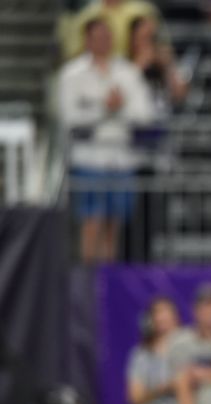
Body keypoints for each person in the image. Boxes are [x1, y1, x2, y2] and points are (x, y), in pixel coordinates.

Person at [59, 18, 155, 263]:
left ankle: (107, 281)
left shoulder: (127, 72)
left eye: (107, 36)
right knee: (91, 224)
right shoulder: (72, 74)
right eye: (98, 37)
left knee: (114, 227)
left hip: (121, 160)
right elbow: (70, 118)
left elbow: (145, 114)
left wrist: (118, 108)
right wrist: (105, 108)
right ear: (87, 40)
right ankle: (88, 282)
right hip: (89, 159)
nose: (103, 41)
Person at [126, 297, 180, 404]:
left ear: (176, 319)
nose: (162, 318)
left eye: (166, 313)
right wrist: (165, 388)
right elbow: (134, 397)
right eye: (157, 313)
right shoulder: (141, 355)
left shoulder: (187, 351)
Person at [128, 16, 188, 116]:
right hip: (135, 122)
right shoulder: (123, 64)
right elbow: (124, 89)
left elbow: (180, 94)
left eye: (152, 38)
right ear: (133, 39)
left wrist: (169, 67)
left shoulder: (164, 62)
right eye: (145, 38)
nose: (150, 44)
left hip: (163, 120)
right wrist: (143, 62)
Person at [62, 0, 160, 59]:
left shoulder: (143, 12)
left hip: (142, 67)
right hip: (99, 72)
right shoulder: (86, 18)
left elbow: (159, 44)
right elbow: (74, 55)